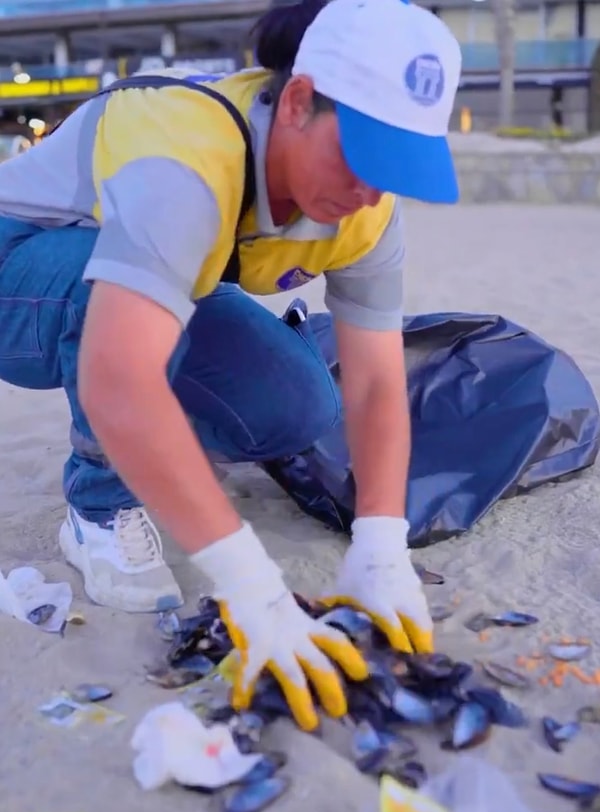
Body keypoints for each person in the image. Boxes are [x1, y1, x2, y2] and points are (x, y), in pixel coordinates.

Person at [0, 0, 461, 730]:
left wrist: (381, 543)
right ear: (300, 102)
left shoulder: (368, 209)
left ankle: (158, 454)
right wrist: (254, 587)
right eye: (365, 157)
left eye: (397, 166)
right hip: (19, 269)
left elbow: (373, 381)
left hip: (143, 286)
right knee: (121, 336)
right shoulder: (185, 154)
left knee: (299, 405)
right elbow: (117, 378)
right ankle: (98, 507)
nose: (370, 192)